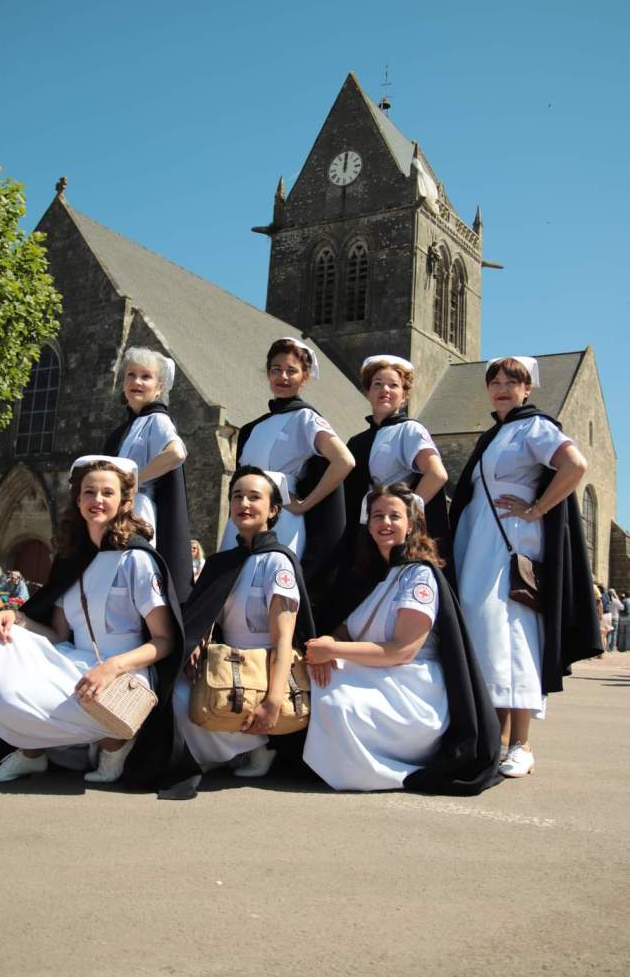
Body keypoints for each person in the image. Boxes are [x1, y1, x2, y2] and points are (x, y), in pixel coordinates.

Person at [0, 456, 185, 788]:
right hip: (74, 661)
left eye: (107, 492)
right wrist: (15, 619)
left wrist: (112, 667)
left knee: (46, 700)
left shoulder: (136, 560)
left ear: (124, 502)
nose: (97, 500)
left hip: (124, 671)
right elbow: (59, 634)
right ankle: (33, 754)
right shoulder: (71, 559)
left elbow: (164, 640)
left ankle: (114, 743)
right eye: (89, 492)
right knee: (1, 645)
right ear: (78, 500)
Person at [451, 356, 601, 779]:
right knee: (487, 636)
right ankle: (496, 739)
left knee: (513, 635)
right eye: (495, 382)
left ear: (527, 389)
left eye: (511, 382)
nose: (501, 388)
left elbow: (575, 465)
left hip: (509, 543)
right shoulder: (495, 434)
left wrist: (537, 508)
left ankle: (521, 743)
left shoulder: (535, 427)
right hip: (478, 543)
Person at [303, 482, 500, 794]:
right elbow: (346, 629)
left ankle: (381, 772)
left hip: (412, 689)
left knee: (336, 702)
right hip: (377, 677)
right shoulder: (372, 576)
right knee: (310, 679)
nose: (385, 522)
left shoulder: (419, 576)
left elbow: (402, 651)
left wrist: (333, 650)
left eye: (394, 516)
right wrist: (329, 642)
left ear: (410, 525)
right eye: (377, 516)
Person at [173, 466, 315, 785]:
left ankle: (260, 746)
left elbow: (283, 640)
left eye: (254, 497)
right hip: (225, 664)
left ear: (273, 510)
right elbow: (206, 615)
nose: (244, 504)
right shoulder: (221, 562)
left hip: (262, 671)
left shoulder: (278, 562)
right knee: (177, 693)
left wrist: (274, 702)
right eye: (237, 496)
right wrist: (198, 641)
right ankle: (226, 752)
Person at [219, 337, 354, 598]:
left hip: (281, 519)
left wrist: (305, 504)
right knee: (234, 589)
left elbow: (344, 460)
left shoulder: (306, 418)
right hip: (243, 516)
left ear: (305, 377)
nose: (283, 376)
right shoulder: (253, 428)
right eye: (276, 369)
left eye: (291, 371)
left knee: (271, 590)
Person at [343, 355, 452, 568]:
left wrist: (404, 514)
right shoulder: (357, 441)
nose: (385, 390)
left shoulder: (409, 430)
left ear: (404, 396)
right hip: (366, 533)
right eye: (377, 384)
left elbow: (437, 474)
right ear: (367, 392)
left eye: (393, 385)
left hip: (394, 534)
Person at [104, 346, 192, 604]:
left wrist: (133, 480)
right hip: (118, 510)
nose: (137, 382)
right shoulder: (127, 427)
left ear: (159, 386)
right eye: (131, 375)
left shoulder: (157, 419)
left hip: (139, 510)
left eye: (146, 377)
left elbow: (176, 453)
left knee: (135, 577)